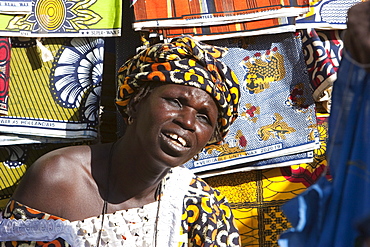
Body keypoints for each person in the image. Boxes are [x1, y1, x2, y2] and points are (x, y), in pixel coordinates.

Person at [0, 35, 241, 246]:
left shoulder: (202, 206)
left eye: (203, 117)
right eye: (175, 102)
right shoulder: (58, 179)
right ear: (135, 104)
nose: (187, 122)